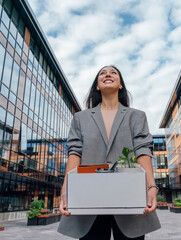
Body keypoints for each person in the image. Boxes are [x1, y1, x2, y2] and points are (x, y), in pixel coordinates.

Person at [57, 65, 161, 239]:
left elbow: (143, 151)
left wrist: (151, 187)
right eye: (102, 73)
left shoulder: (137, 116)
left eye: (113, 72)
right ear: (97, 86)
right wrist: (66, 189)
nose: (108, 74)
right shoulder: (80, 118)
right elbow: (75, 153)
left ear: (120, 85)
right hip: (89, 197)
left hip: (129, 196)